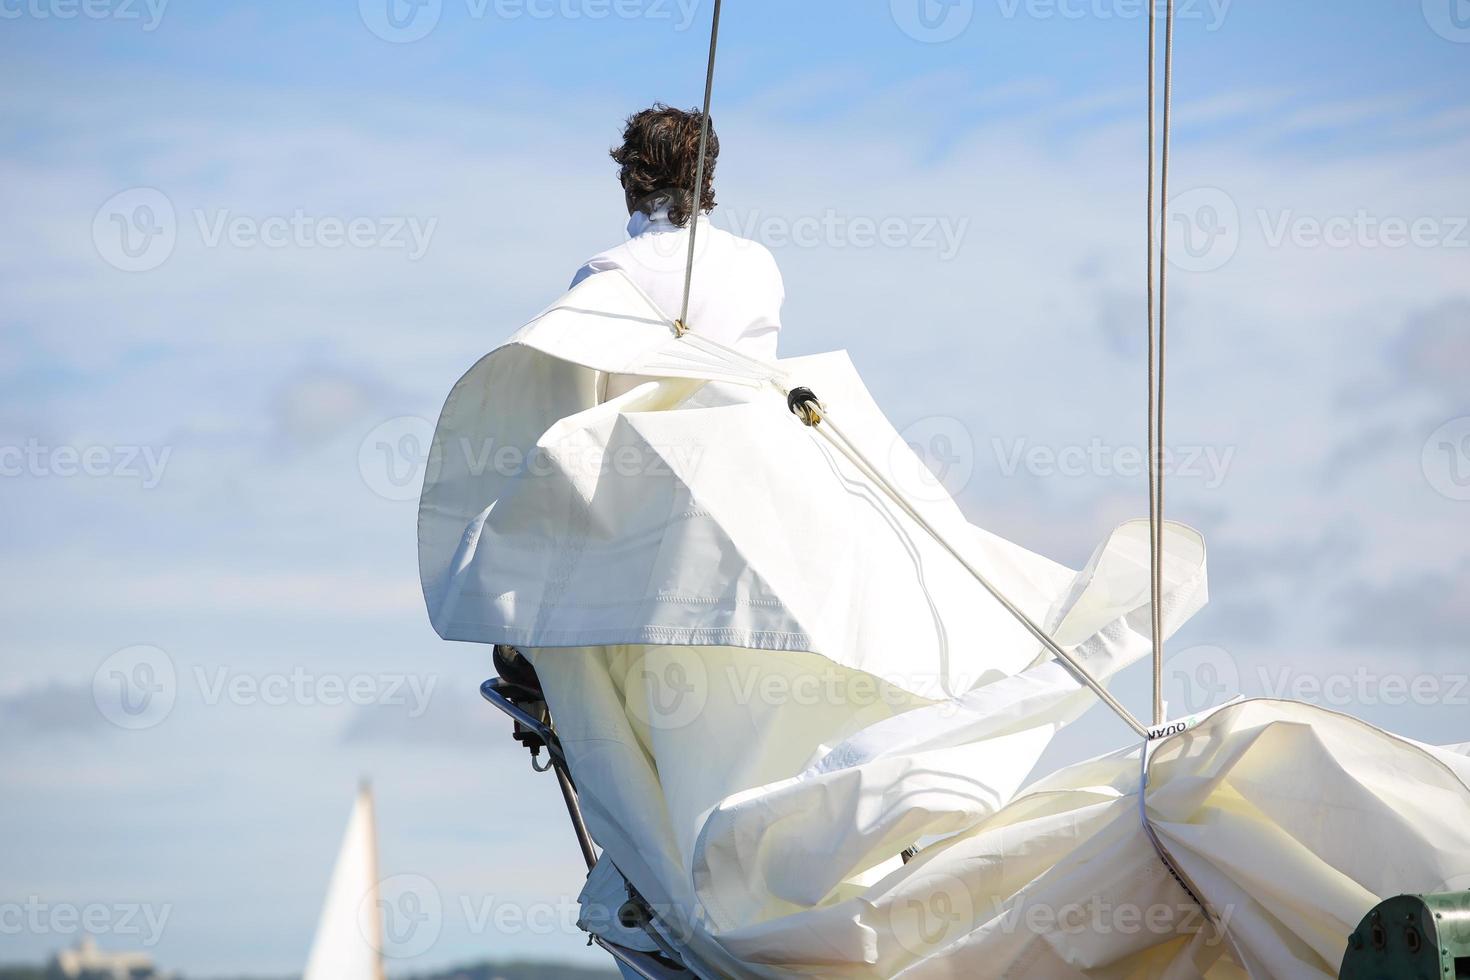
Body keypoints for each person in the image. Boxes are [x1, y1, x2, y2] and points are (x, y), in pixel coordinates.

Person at [571, 104, 784, 367]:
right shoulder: (759, 262)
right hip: (754, 408)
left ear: (629, 181)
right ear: (706, 181)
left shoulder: (604, 271)